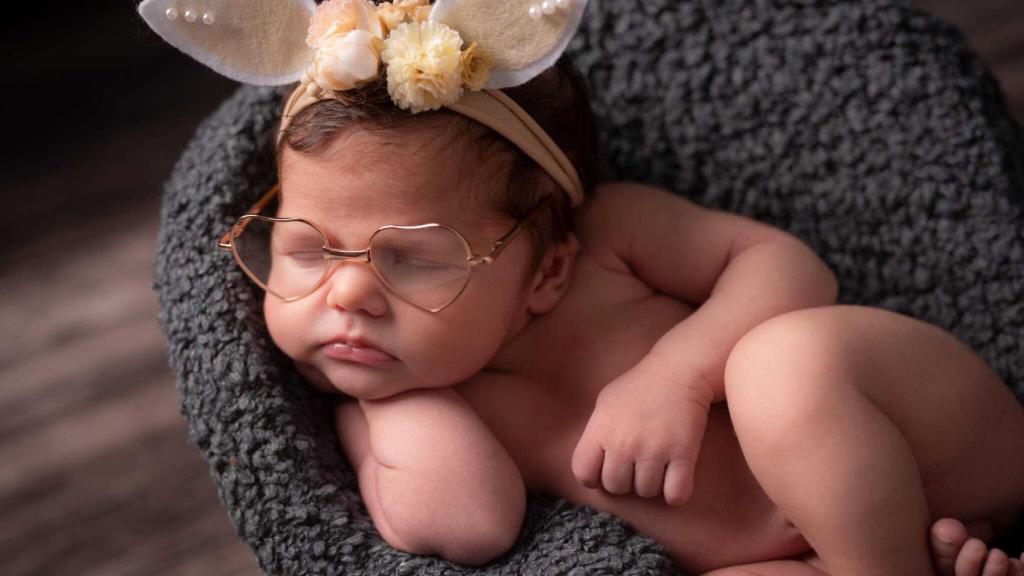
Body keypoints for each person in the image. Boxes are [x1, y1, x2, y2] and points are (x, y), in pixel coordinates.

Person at [143, 0, 1024, 573]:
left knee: (781, 367)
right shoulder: (398, 411)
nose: (347, 296)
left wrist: (678, 377)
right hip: (799, 549)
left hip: (919, 433)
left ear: (548, 269)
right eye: (305, 250)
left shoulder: (608, 242)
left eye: (412, 258)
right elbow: (471, 522)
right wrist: (387, 394)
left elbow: (791, 269)